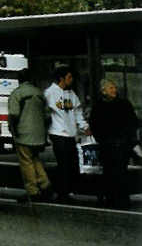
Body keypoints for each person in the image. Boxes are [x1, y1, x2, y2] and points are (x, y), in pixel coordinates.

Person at [89, 79, 138, 208]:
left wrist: (128, 140)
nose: (114, 90)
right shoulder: (98, 106)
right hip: (107, 145)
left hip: (122, 144)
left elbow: (132, 122)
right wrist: (102, 140)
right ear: (103, 91)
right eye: (111, 88)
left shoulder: (124, 104)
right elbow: (94, 125)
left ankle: (122, 199)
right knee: (109, 172)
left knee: (121, 171)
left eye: (114, 88)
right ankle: (111, 198)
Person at [44, 66, 89, 202]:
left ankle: (67, 190)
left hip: (70, 133)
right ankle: (62, 192)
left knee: (72, 164)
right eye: (69, 77)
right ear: (61, 79)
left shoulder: (71, 94)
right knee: (63, 164)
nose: (71, 80)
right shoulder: (50, 93)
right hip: (57, 132)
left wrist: (84, 126)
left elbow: (77, 112)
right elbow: (45, 112)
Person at [8, 70, 52, 203]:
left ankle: (32, 191)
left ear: (19, 80)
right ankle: (45, 185)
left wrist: (13, 130)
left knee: (26, 161)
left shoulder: (17, 93)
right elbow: (48, 116)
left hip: (24, 134)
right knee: (35, 159)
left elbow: (14, 114)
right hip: (39, 135)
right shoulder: (40, 93)